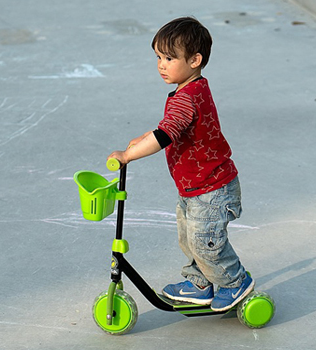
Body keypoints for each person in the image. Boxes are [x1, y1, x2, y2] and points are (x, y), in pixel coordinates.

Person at [107, 16, 255, 311]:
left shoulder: (188, 98)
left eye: (169, 58)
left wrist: (128, 155)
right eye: (158, 57)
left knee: (205, 242)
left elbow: (165, 135)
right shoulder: (191, 89)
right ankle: (201, 282)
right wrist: (141, 137)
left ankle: (234, 282)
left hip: (212, 189)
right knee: (190, 239)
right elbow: (168, 127)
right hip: (195, 187)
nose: (161, 64)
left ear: (195, 60)